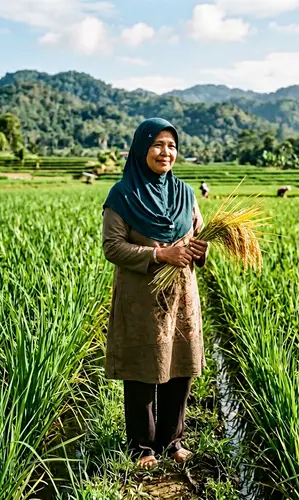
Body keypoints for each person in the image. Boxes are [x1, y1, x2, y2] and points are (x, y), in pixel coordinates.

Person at [102, 118, 209, 470]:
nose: (166, 152)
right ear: (141, 148)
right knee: (142, 369)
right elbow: (113, 247)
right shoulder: (122, 195)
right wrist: (159, 254)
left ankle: (173, 440)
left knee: (180, 368)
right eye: (159, 145)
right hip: (141, 297)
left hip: (180, 295)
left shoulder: (186, 195)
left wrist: (199, 249)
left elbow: (197, 236)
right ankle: (142, 447)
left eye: (172, 146)